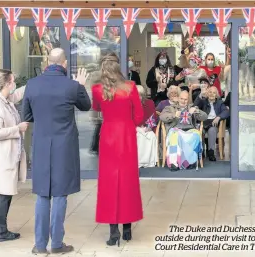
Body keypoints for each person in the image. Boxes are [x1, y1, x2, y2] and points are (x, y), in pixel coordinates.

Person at [22, 48, 91, 254]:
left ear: (47, 63)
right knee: (60, 194)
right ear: (64, 64)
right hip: (64, 147)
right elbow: (86, 106)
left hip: (42, 145)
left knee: (43, 195)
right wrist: (80, 85)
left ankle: (40, 246)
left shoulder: (32, 85)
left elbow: (26, 114)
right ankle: (57, 244)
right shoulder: (72, 86)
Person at [91, 53, 144, 247]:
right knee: (128, 180)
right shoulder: (130, 87)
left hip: (108, 138)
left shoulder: (97, 89)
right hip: (127, 136)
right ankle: (127, 228)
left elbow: (96, 110)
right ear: (118, 68)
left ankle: (113, 233)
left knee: (109, 182)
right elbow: (138, 116)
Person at [0, 69, 28, 242]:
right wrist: (18, 129)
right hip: (0, 157)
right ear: (7, 83)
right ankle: (0, 232)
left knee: (4, 191)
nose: (14, 83)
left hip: (5, 155)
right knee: (2, 193)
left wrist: (31, 85)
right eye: (13, 81)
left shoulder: (3, 99)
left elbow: (15, 96)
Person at [160, 91, 207, 171]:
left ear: (188, 100)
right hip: (176, 129)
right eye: (181, 98)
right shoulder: (170, 108)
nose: (183, 101)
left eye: (185, 99)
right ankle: (173, 163)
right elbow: (162, 117)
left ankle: (189, 162)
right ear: (178, 98)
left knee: (196, 135)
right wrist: (174, 115)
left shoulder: (191, 107)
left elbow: (205, 117)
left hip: (189, 130)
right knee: (175, 135)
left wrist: (196, 111)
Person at [193, 86, 229, 161]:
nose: (212, 94)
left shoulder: (219, 102)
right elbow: (194, 106)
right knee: (200, 131)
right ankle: (201, 151)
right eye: (210, 92)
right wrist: (200, 95)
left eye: (214, 93)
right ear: (207, 93)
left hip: (213, 123)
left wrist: (219, 117)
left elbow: (226, 112)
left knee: (212, 130)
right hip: (203, 122)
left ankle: (211, 152)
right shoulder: (203, 101)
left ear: (216, 95)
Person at [136, 85, 157, 168]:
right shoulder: (129, 104)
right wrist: (137, 128)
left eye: (140, 95)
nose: (138, 97)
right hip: (134, 129)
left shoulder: (149, 103)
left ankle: (148, 162)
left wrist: (148, 127)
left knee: (150, 136)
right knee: (137, 136)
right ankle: (137, 162)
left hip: (147, 128)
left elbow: (153, 117)